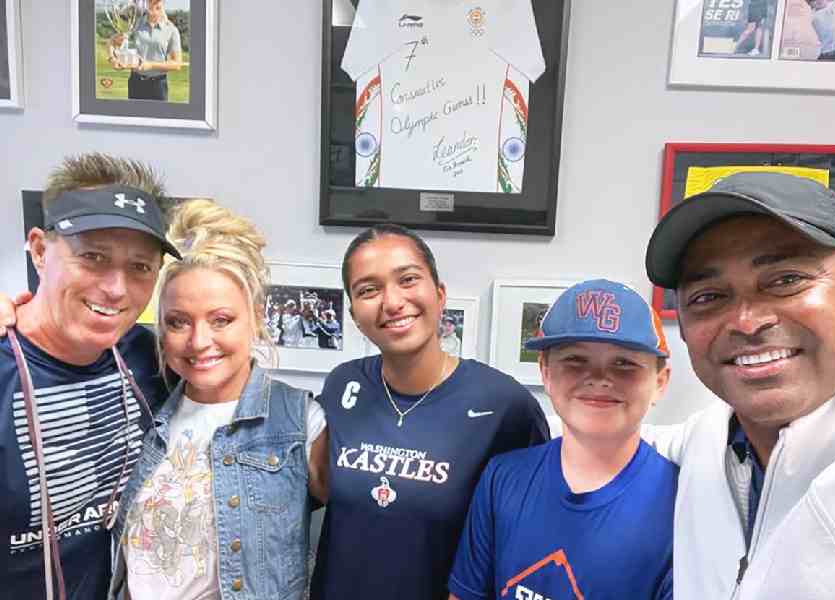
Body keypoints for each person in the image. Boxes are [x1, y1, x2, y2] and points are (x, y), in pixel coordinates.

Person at [642, 171, 835, 599]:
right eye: (708, 297)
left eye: (785, 281)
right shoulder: (708, 438)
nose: (747, 321)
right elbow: (615, 434)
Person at [310, 224, 550, 600]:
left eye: (407, 279)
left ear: (439, 295)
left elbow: (529, 545)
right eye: (368, 290)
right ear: (355, 314)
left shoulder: (506, 406)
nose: (391, 302)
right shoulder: (343, 386)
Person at [106, 199, 328, 599]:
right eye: (178, 322)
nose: (198, 341)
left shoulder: (301, 420)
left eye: (221, 319)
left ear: (257, 318)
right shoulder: (143, 406)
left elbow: (371, 529)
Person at [0, 153, 179, 600]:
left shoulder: (149, 356)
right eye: (93, 257)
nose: (116, 289)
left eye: (139, 267)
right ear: (40, 250)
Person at [449, 279, 677, 600]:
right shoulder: (502, 478)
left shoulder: (682, 504)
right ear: (545, 371)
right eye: (575, 360)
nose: (599, 378)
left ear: (660, 382)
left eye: (624, 363)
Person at [109, 0, 183, 101]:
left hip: (159, 86)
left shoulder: (171, 30)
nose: (154, 11)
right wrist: (112, 59)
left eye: (158, 7)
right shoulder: (134, 23)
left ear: (163, 4)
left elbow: (177, 64)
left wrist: (151, 65)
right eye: (151, 5)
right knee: (134, 116)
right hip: (135, 83)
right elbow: (111, 42)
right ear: (147, 4)